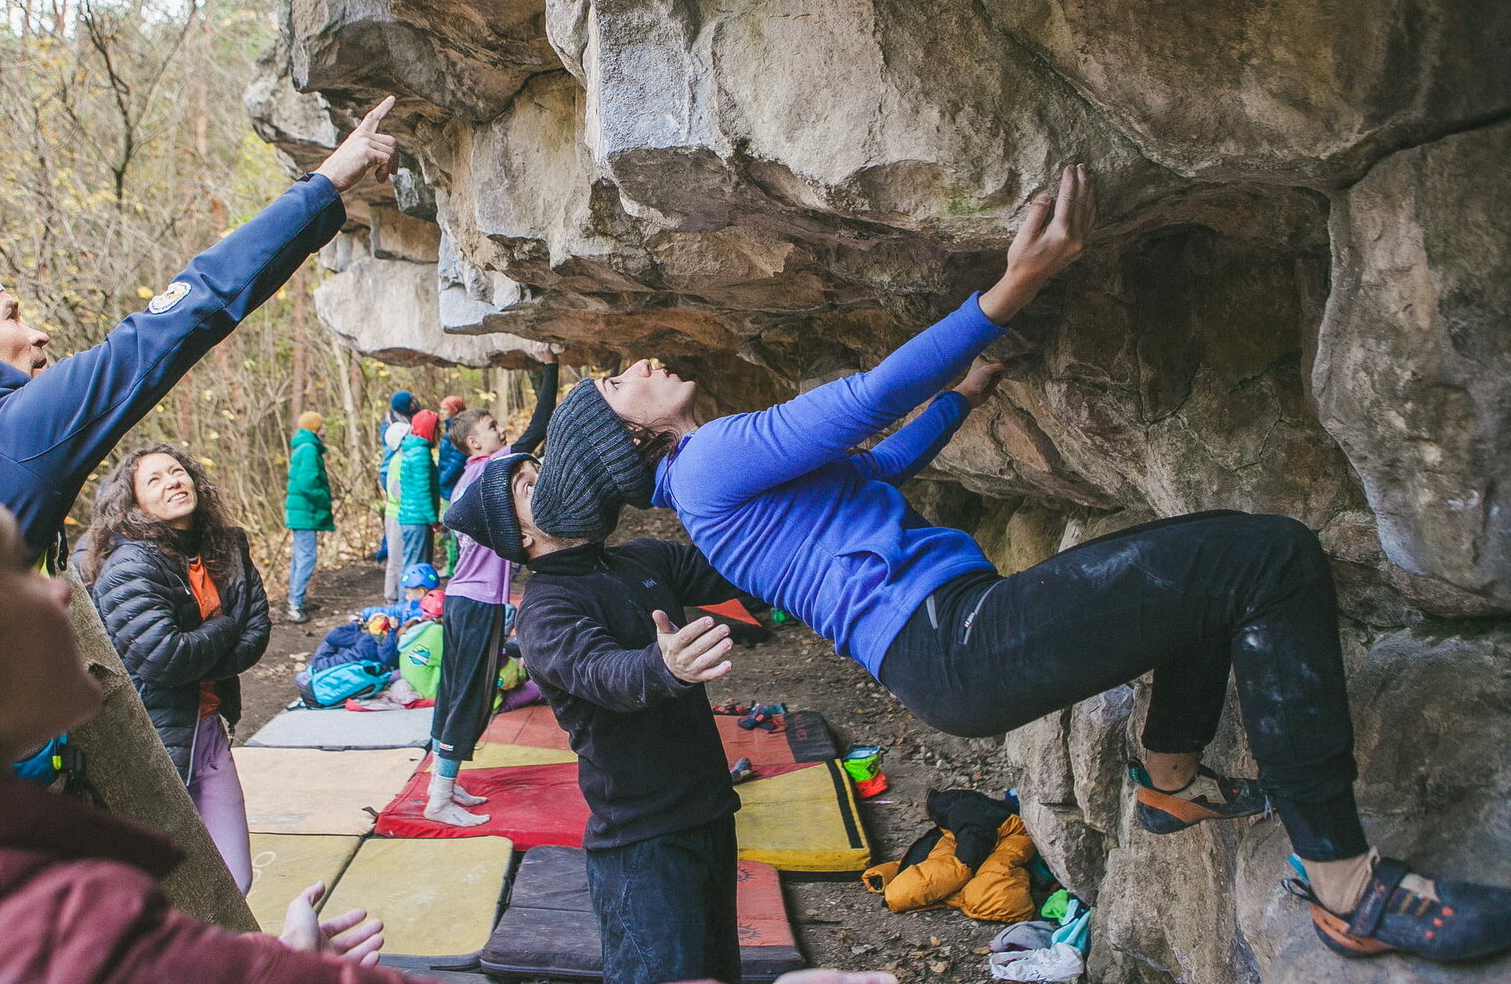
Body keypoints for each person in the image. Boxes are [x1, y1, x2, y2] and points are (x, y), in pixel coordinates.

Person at [533, 164, 1511, 964]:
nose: (643, 365)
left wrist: (966, 394)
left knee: (1208, 579)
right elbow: (869, 400)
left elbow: (874, 464)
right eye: (623, 382)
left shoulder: (708, 497)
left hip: (952, 645)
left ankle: (1170, 779)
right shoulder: (711, 459)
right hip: (959, 640)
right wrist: (1018, 283)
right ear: (627, 439)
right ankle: (1343, 885)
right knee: (1275, 559)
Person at [0, 436, 903, 984]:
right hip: (640, 830)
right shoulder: (59, 935)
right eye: (15, 571)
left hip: (692, 813)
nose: (61, 589)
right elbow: (604, 674)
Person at [0, 95, 400, 568]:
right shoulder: (0, 438)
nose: (38, 334)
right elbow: (187, 310)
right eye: (10, 316)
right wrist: (325, 184)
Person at [446, 453, 748, 984]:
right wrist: (666, 665)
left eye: (545, 469)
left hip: (712, 812)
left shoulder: (644, 559)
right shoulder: (543, 611)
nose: (553, 480)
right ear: (521, 534)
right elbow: (602, 672)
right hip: (641, 846)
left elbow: (740, 567)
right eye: (529, 485)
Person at [76, 443, 270, 894]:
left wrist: (202, 648)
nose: (173, 482)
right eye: (155, 480)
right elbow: (163, 657)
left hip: (210, 728)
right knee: (161, 881)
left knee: (234, 876)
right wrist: (223, 627)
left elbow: (257, 633)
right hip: (154, 736)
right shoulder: (129, 563)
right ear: (134, 502)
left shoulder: (226, 545)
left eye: (177, 471)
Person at [421, 347, 559, 827]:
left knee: (453, 690)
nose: (503, 431)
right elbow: (540, 425)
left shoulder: (467, 478)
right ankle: (438, 798)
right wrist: (550, 366)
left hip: (462, 599)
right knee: (471, 696)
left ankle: (445, 780)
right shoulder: (492, 472)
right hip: (477, 603)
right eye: (493, 428)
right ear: (476, 444)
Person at [285, 410, 334, 623]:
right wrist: (324, 499)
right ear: (315, 427)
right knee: (307, 557)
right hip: (305, 513)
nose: (324, 428)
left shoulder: (304, 447)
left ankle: (294, 600)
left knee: (300, 556)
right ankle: (295, 605)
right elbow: (307, 483)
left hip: (301, 512)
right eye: (321, 425)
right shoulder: (309, 450)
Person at [396, 409, 441, 577]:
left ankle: (414, 601)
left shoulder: (415, 450)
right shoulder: (420, 453)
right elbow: (423, 490)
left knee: (415, 565)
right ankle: (407, 602)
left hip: (414, 518)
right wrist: (433, 519)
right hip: (417, 520)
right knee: (414, 569)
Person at [376, 391, 418, 565]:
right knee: (397, 511)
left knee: (395, 511)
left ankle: (389, 551)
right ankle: (390, 551)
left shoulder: (395, 418)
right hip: (392, 471)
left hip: (390, 470)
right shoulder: (396, 425)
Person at [434, 393, 469, 577]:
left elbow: (457, 459)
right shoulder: (450, 430)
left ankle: (453, 566)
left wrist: (442, 479)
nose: (441, 412)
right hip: (448, 486)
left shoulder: (456, 431)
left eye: (445, 408)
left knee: (450, 527)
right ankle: (452, 564)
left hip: (453, 486)